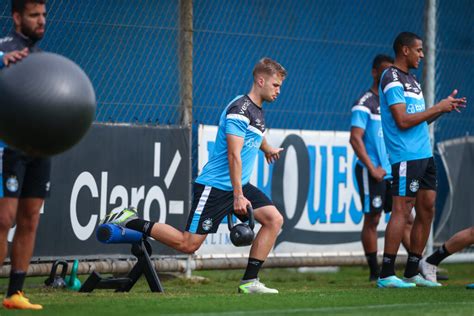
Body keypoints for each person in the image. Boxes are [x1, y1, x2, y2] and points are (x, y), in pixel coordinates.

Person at [105, 57, 286, 294]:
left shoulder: (256, 111)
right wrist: (239, 196)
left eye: (280, 86)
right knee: (187, 244)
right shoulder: (239, 110)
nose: (278, 91)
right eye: (275, 85)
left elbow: (255, 135)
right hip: (216, 188)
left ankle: (249, 282)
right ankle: (127, 219)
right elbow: (234, 155)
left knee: (274, 220)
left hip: (237, 185)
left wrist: (268, 148)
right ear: (261, 80)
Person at [377, 31, 467, 288]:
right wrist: (437, 107)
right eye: (419, 50)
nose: (422, 55)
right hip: (406, 155)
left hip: (424, 154)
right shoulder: (391, 76)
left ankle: (413, 270)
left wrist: (441, 109)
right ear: (405, 50)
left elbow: (420, 119)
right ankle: (385, 274)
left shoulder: (413, 81)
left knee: (427, 208)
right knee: (402, 210)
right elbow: (403, 121)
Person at [0, 0, 49, 310]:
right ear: (17, 17)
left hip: (40, 145)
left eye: (43, 15)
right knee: (3, 218)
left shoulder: (42, 58)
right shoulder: (5, 48)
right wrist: (2, 60)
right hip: (8, 146)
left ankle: (15, 293)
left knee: (29, 219)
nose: (41, 21)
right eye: (34, 15)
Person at [350, 54, 414, 281]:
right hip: (372, 171)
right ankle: (374, 271)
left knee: (406, 217)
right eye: (385, 70)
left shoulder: (393, 100)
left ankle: (418, 266)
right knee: (373, 218)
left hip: (394, 170)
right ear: (375, 72)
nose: (389, 75)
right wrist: (372, 167)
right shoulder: (365, 102)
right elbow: (355, 139)